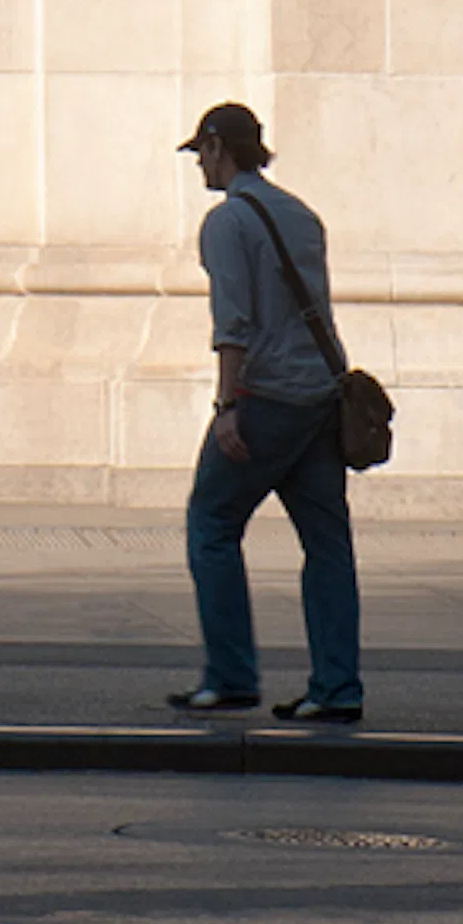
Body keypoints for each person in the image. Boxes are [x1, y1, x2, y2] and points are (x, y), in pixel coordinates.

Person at [169, 100, 364, 726]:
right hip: (320, 396)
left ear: (221, 148)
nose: (199, 163)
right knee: (328, 547)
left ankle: (230, 676)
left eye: (201, 151)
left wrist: (227, 406)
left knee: (211, 524)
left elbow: (235, 322)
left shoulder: (226, 223)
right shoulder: (300, 215)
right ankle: (337, 688)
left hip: (266, 398)